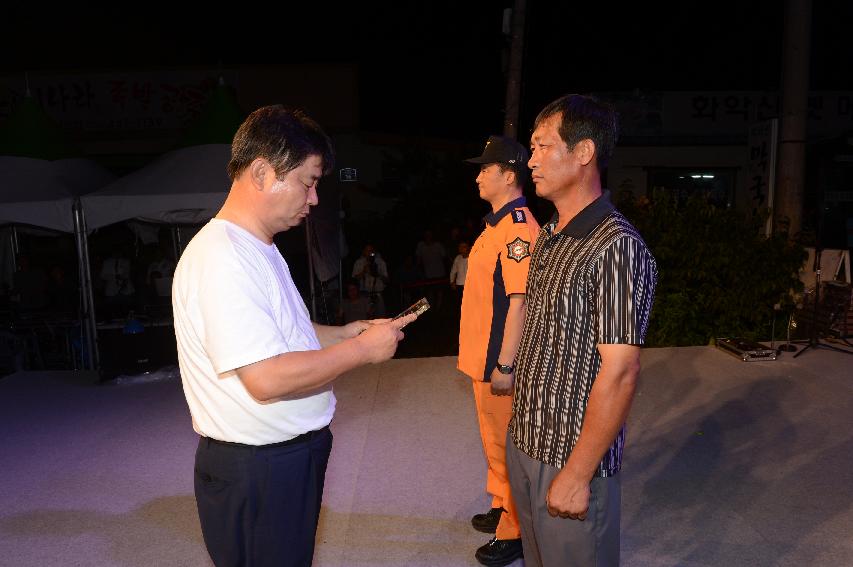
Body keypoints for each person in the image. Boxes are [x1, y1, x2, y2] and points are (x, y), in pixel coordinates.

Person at [172, 106, 416, 567]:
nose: (315, 198)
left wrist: (343, 332)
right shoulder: (225, 257)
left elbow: (282, 336)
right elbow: (266, 378)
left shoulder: (257, 247)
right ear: (262, 172)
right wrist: (360, 350)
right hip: (259, 466)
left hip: (276, 458)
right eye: (308, 181)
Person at [508, 94, 658, 567]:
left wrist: (577, 474)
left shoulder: (617, 247)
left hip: (570, 457)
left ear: (584, 152)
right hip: (526, 441)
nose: (529, 161)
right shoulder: (550, 234)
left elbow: (620, 372)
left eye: (541, 147)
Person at [458, 135, 540, 566]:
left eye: (484, 169)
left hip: (498, 361)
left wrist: (506, 364)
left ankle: (515, 530)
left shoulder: (518, 229)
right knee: (493, 443)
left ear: (508, 176)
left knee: (508, 446)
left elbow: (520, 302)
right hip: (481, 358)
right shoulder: (495, 224)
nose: (477, 176)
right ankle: (500, 504)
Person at [351, 243, 389, 317]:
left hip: (378, 296)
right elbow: (354, 280)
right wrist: (363, 271)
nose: (369, 253)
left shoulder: (380, 262)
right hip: (363, 296)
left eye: (371, 251)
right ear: (364, 252)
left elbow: (387, 281)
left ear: (374, 252)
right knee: (364, 319)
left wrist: (378, 273)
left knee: (380, 319)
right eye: (367, 251)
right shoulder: (358, 263)